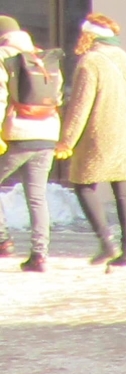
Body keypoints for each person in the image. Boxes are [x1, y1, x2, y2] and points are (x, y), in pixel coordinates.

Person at [53, 11, 126, 268]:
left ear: (90, 36)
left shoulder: (90, 62)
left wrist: (67, 142)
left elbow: (80, 106)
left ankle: (106, 242)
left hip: (98, 136)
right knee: (125, 193)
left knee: (83, 184)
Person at [0, 16, 59, 271]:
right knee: (37, 197)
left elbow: (1, 98)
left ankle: (2, 241)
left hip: (17, 135)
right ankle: (40, 255)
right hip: (46, 134)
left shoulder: (4, 57)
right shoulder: (40, 57)